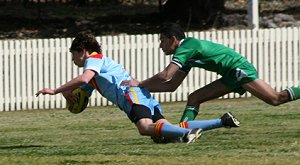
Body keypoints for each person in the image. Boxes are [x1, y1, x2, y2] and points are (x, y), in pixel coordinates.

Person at [36, 32, 240, 144]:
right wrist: (68, 95)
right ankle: (222, 121)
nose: (73, 59)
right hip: (141, 95)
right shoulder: (97, 69)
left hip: (132, 94)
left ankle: (186, 133)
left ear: (83, 51)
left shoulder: (94, 59)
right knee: (160, 134)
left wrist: (54, 90)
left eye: (73, 54)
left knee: (144, 128)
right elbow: (82, 93)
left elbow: (84, 77)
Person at [121, 23, 300, 122]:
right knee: (194, 98)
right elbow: (172, 86)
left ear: (173, 39)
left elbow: (166, 75)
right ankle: (185, 132)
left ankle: (184, 130)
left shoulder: (187, 46)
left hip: (239, 70)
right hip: (230, 74)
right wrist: (142, 90)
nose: (160, 45)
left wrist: (141, 83)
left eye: (162, 41)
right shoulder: (186, 54)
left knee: (276, 99)